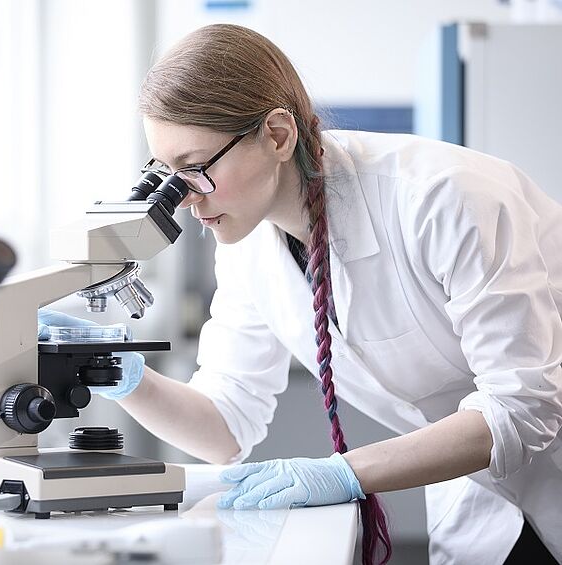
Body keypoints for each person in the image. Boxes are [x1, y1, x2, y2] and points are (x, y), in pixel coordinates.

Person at [38, 24, 562, 565]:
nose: (187, 201)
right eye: (166, 175)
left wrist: (344, 472)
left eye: (195, 170)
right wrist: (123, 376)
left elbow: (523, 406)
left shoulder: (443, 200)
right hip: (480, 498)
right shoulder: (247, 241)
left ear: (279, 134)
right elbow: (223, 425)